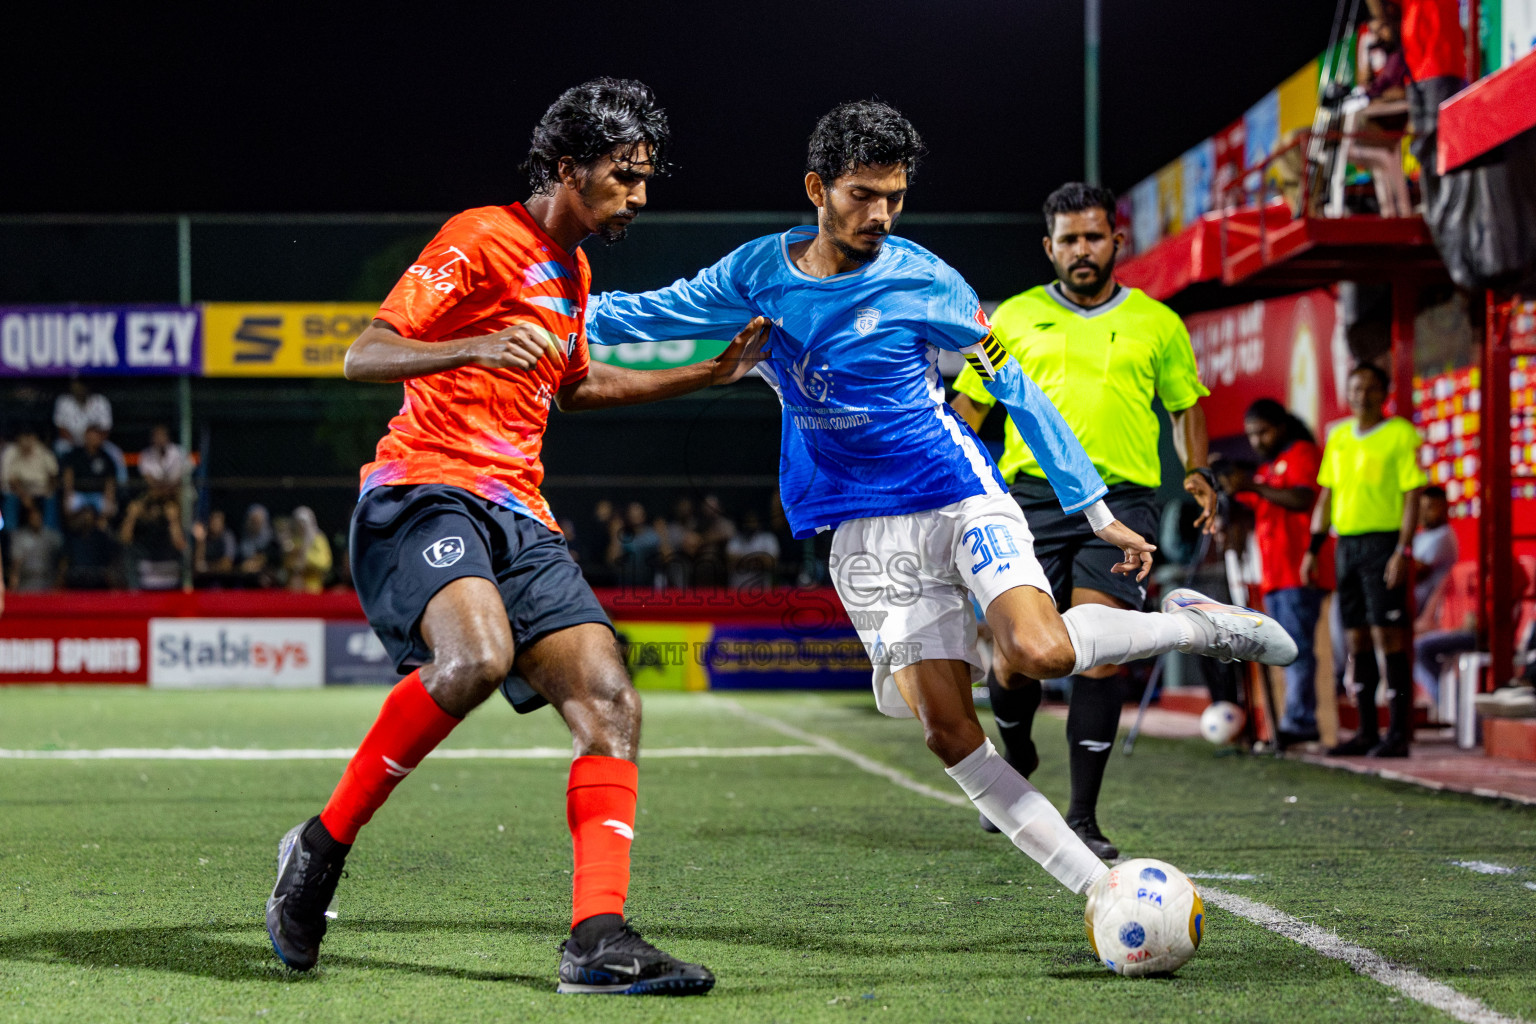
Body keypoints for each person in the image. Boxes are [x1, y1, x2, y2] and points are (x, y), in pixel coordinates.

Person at [582, 100, 1295, 909]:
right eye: (861, 194)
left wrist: (1095, 512)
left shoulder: (926, 277)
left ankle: (1196, 625)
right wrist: (538, 309)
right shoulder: (757, 274)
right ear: (817, 188)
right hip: (856, 524)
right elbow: (642, 312)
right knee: (948, 731)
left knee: (1043, 653)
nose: (880, 213)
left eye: (894, 195)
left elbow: (1011, 384)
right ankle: (1099, 890)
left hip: (956, 494)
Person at [264, 78, 766, 995]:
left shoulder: (572, 273)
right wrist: (469, 346)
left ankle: (596, 940)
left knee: (611, 700)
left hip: (519, 513)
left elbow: (574, 387)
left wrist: (707, 374)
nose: (639, 196)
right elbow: (364, 353)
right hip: (425, 489)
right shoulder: (481, 236)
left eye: (646, 177)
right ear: (568, 168)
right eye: (625, 176)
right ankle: (320, 847)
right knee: (476, 658)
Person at [947, 182, 1218, 857]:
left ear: (1116, 241)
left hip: (1123, 503)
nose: (1082, 250)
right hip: (1027, 503)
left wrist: (1198, 470)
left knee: (1098, 651)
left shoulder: (1159, 323)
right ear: (1049, 247)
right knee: (1014, 660)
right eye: (1069, 240)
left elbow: (1185, 406)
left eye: (1094, 237)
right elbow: (970, 408)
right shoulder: (1009, 320)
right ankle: (1017, 760)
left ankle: (1083, 819)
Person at [1303, 363, 1427, 757]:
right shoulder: (1338, 436)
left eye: (1371, 388)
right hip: (1346, 546)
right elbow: (1326, 495)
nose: (1362, 395)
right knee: (1356, 639)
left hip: (1383, 544)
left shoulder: (1400, 434)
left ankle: (1399, 734)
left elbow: (1412, 497)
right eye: (1356, 388)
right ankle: (1368, 731)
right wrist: (1313, 548)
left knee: (1386, 635)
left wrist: (1402, 550)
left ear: (1384, 393)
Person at [1223, 398, 1333, 747]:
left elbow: (1303, 499)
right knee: (1283, 649)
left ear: (1281, 425)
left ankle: (1301, 722)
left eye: (1263, 432)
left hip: (1300, 569)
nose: (1257, 441)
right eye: (1251, 435)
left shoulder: (1301, 453)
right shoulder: (1270, 468)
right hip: (1273, 574)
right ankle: (1291, 720)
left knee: (1296, 647)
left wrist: (1252, 486)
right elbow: (1252, 507)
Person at [53, 380, 126, 484]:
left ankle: (122, 487)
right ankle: (62, 484)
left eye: (81, 386)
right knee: (60, 448)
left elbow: (106, 430)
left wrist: (93, 442)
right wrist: (78, 445)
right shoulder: (64, 401)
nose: (79, 389)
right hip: (71, 442)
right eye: (76, 386)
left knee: (115, 452)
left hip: (96, 442)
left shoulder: (100, 401)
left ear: (87, 387)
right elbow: (61, 429)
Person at [119, 490, 185, 591]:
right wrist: (131, 516)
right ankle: (135, 594)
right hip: (145, 559)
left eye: (157, 509)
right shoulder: (141, 521)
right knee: (128, 551)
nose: (155, 512)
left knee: (184, 552)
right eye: (152, 509)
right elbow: (124, 539)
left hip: (167, 558)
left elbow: (180, 545)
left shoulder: (169, 518)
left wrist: (173, 520)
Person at [1, 427, 59, 532]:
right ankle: (10, 534)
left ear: (34, 438)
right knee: (10, 499)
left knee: (51, 497)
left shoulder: (43, 451)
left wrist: (50, 488)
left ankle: (49, 532)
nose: (26, 442)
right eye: (23, 439)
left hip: (41, 489)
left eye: (29, 438)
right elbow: (11, 480)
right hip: (18, 490)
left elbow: (53, 475)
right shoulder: (11, 452)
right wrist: (24, 495)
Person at [1410, 485, 1457, 612]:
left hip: (1428, 612)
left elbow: (1414, 572)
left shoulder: (1443, 536)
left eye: (1429, 507)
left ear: (1444, 508)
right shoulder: (1423, 535)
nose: (1423, 513)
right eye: (1421, 507)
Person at [60, 426, 117, 518]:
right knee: (69, 505)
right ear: (85, 437)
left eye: (95, 437)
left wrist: (109, 498)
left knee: (110, 508)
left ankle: (100, 527)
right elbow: (68, 473)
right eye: (90, 437)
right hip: (79, 493)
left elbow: (110, 480)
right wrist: (68, 493)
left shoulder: (106, 457)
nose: (93, 439)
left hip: (98, 494)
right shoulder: (75, 454)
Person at [8, 505, 61, 592]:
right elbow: (16, 561)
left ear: (42, 518)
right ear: (28, 519)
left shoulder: (51, 536)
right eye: (33, 518)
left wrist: (59, 579)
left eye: (38, 518)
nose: (36, 520)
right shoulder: (20, 537)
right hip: (26, 580)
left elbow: (62, 556)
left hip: (47, 580)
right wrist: (14, 577)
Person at [726, 508, 780, 590]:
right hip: (737, 591)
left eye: (752, 521)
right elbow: (731, 563)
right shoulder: (735, 539)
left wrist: (744, 560)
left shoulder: (768, 538)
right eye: (747, 521)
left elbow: (771, 563)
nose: (750, 524)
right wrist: (758, 559)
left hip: (763, 591)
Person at [285, 505, 332, 593]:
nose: (301, 526)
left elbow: (325, 563)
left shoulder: (318, 539)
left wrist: (304, 556)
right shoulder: (293, 540)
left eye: (303, 522)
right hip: (294, 588)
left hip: (313, 587)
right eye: (298, 523)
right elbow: (287, 564)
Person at [138, 424, 187, 497]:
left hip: (177, 490)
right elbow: (147, 477)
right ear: (152, 439)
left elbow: (185, 473)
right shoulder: (145, 454)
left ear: (167, 437)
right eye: (156, 436)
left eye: (162, 436)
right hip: (155, 491)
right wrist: (160, 489)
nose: (159, 439)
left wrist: (170, 488)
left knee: (174, 506)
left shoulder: (179, 451)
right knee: (135, 508)